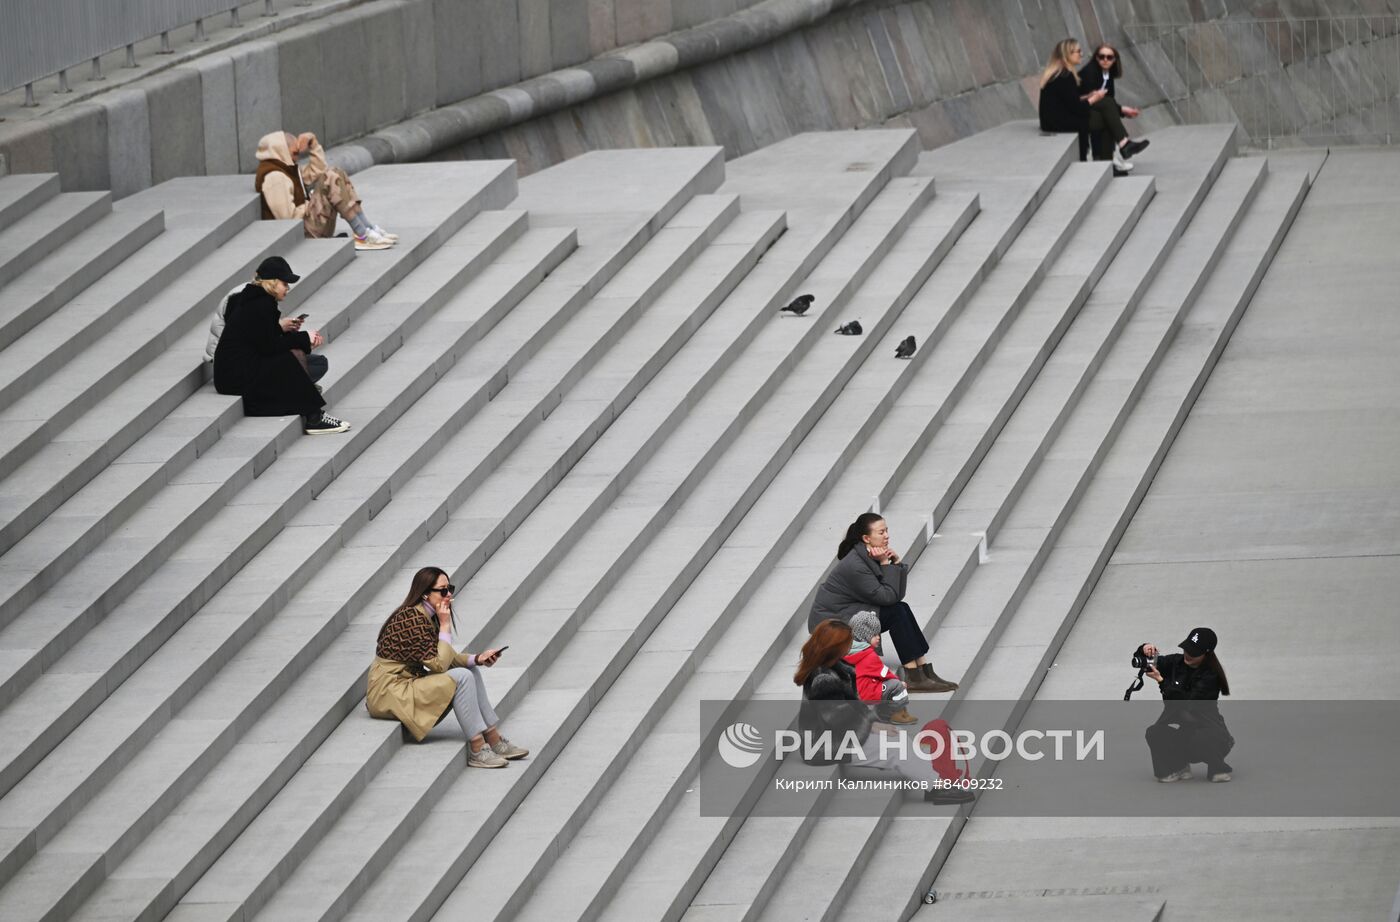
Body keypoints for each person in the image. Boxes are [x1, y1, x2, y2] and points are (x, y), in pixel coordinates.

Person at [796, 619, 973, 804]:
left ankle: (934, 780)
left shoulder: (837, 667)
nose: (852, 646)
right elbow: (839, 718)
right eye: (847, 643)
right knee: (895, 750)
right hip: (824, 745)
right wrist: (873, 727)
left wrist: (875, 723)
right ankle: (937, 787)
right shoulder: (823, 678)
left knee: (899, 737)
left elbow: (853, 708)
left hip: (841, 735)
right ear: (835, 647)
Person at [366, 567, 527, 768]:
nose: (449, 594)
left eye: (450, 588)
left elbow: (445, 657)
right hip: (387, 690)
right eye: (443, 590)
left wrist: (478, 659)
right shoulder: (411, 619)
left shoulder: (425, 614)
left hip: (404, 683)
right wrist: (444, 626)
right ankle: (478, 749)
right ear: (425, 593)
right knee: (461, 677)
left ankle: (493, 738)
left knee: (470, 671)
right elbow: (440, 665)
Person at [809, 513, 959, 693]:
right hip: (831, 623)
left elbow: (896, 596)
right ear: (866, 538)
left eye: (886, 531)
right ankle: (913, 674)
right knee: (896, 613)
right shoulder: (856, 564)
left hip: (850, 611)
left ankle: (924, 670)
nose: (887, 535)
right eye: (881, 532)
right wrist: (886, 564)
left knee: (901, 608)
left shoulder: (868, 555)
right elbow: (887, 598)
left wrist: (896, 563)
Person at [212, 255, 350, 435]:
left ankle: (308, 402)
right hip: (234, 376)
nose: (288, 288)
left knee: (315, 362)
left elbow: (262, 338)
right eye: (285, 284)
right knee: (286, 360)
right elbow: (269, 347)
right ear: (272, 283)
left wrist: (284, 329)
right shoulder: (260, 304)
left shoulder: (256, 298)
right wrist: (303, 338)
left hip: (238, 369)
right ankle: (314, 417)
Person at [254, 130, 397, 250]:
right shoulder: (275, 177)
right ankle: (362, 234)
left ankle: (366, 228)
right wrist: (311, 202)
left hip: (308, 227)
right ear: (280, 150)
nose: (297, 157)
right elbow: (286, 218)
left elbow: (318, 171)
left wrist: (313, 145)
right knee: (329, 178)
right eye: (294, 153)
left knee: (335, 173)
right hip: (302, 234)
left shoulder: (286, 168)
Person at [1136, 627, 1234, 783]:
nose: (1187, 654)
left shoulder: (1210, 676)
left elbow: (1185, 702)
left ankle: (1217, 767)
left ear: (1206, 654)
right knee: (1154, 732)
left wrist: (1161, 681)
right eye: (1187, 649)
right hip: (1186, 732)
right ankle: (1178, 767)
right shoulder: (1176, 662)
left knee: (1204, 737)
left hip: (1211, 734)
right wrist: (1144, 650)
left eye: (1194, 653)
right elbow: (1147, 662)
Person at [1038, 38, 1148, 176]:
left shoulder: (1061, 72)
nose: (1081, 54)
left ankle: (1118, 151)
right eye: (1078, 51)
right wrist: (1093, 99)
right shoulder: (1065, 75)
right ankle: (1116, 153)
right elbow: (1077, 108)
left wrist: (1088, 96)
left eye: (1110, 57)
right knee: (1106, 114)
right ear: (1068, 54)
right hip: (1059, 123)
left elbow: (1069, 100)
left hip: (1059, 119)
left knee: (1107, 105)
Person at [843, 611, 917, 724]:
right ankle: (897, 714)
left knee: (885, 685)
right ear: (863, 636)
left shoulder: (849, 652)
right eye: (874, 635)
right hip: (867, 694)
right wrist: (900, 683)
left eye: (879, 634)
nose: (878, 638)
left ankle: (884, 712)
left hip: (856, 692)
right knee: (895, 685)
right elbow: (885, 673)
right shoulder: (869, 656)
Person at [1078, 43, 1142, 162]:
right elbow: (1098, 100)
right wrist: (1122, 110)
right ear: (1096, 58)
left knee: (1108, 116)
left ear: (1114, 60)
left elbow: (1108, 101)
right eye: (1102, 57)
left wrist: (1122, 110)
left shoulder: (1107, 74)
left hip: (1094, 112)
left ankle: (1106, 162)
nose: (1105, 60)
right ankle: (1123, 144)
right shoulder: (1089, 72)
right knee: (1107, 115)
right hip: (1080, 113)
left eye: (1109, 57)